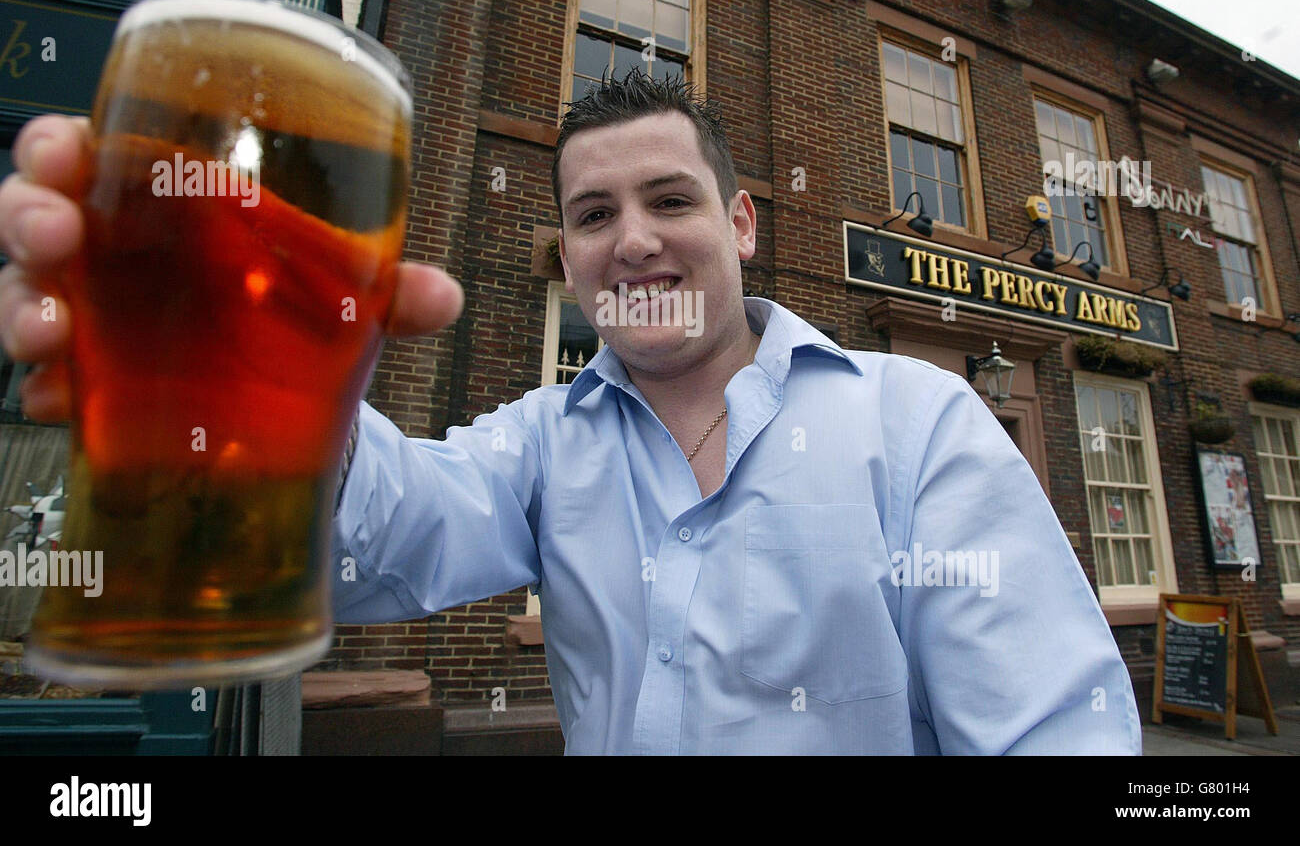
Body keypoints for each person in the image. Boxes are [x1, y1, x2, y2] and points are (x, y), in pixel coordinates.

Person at [0, 70, 1140, 754]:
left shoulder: (918, 421)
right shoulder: (542, 443)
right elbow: (381, 533)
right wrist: (259, 377)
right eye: (594, 213)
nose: (632, 239)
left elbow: (1053, 730)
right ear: (568, 254)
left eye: (669, 199)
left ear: (742, 224)